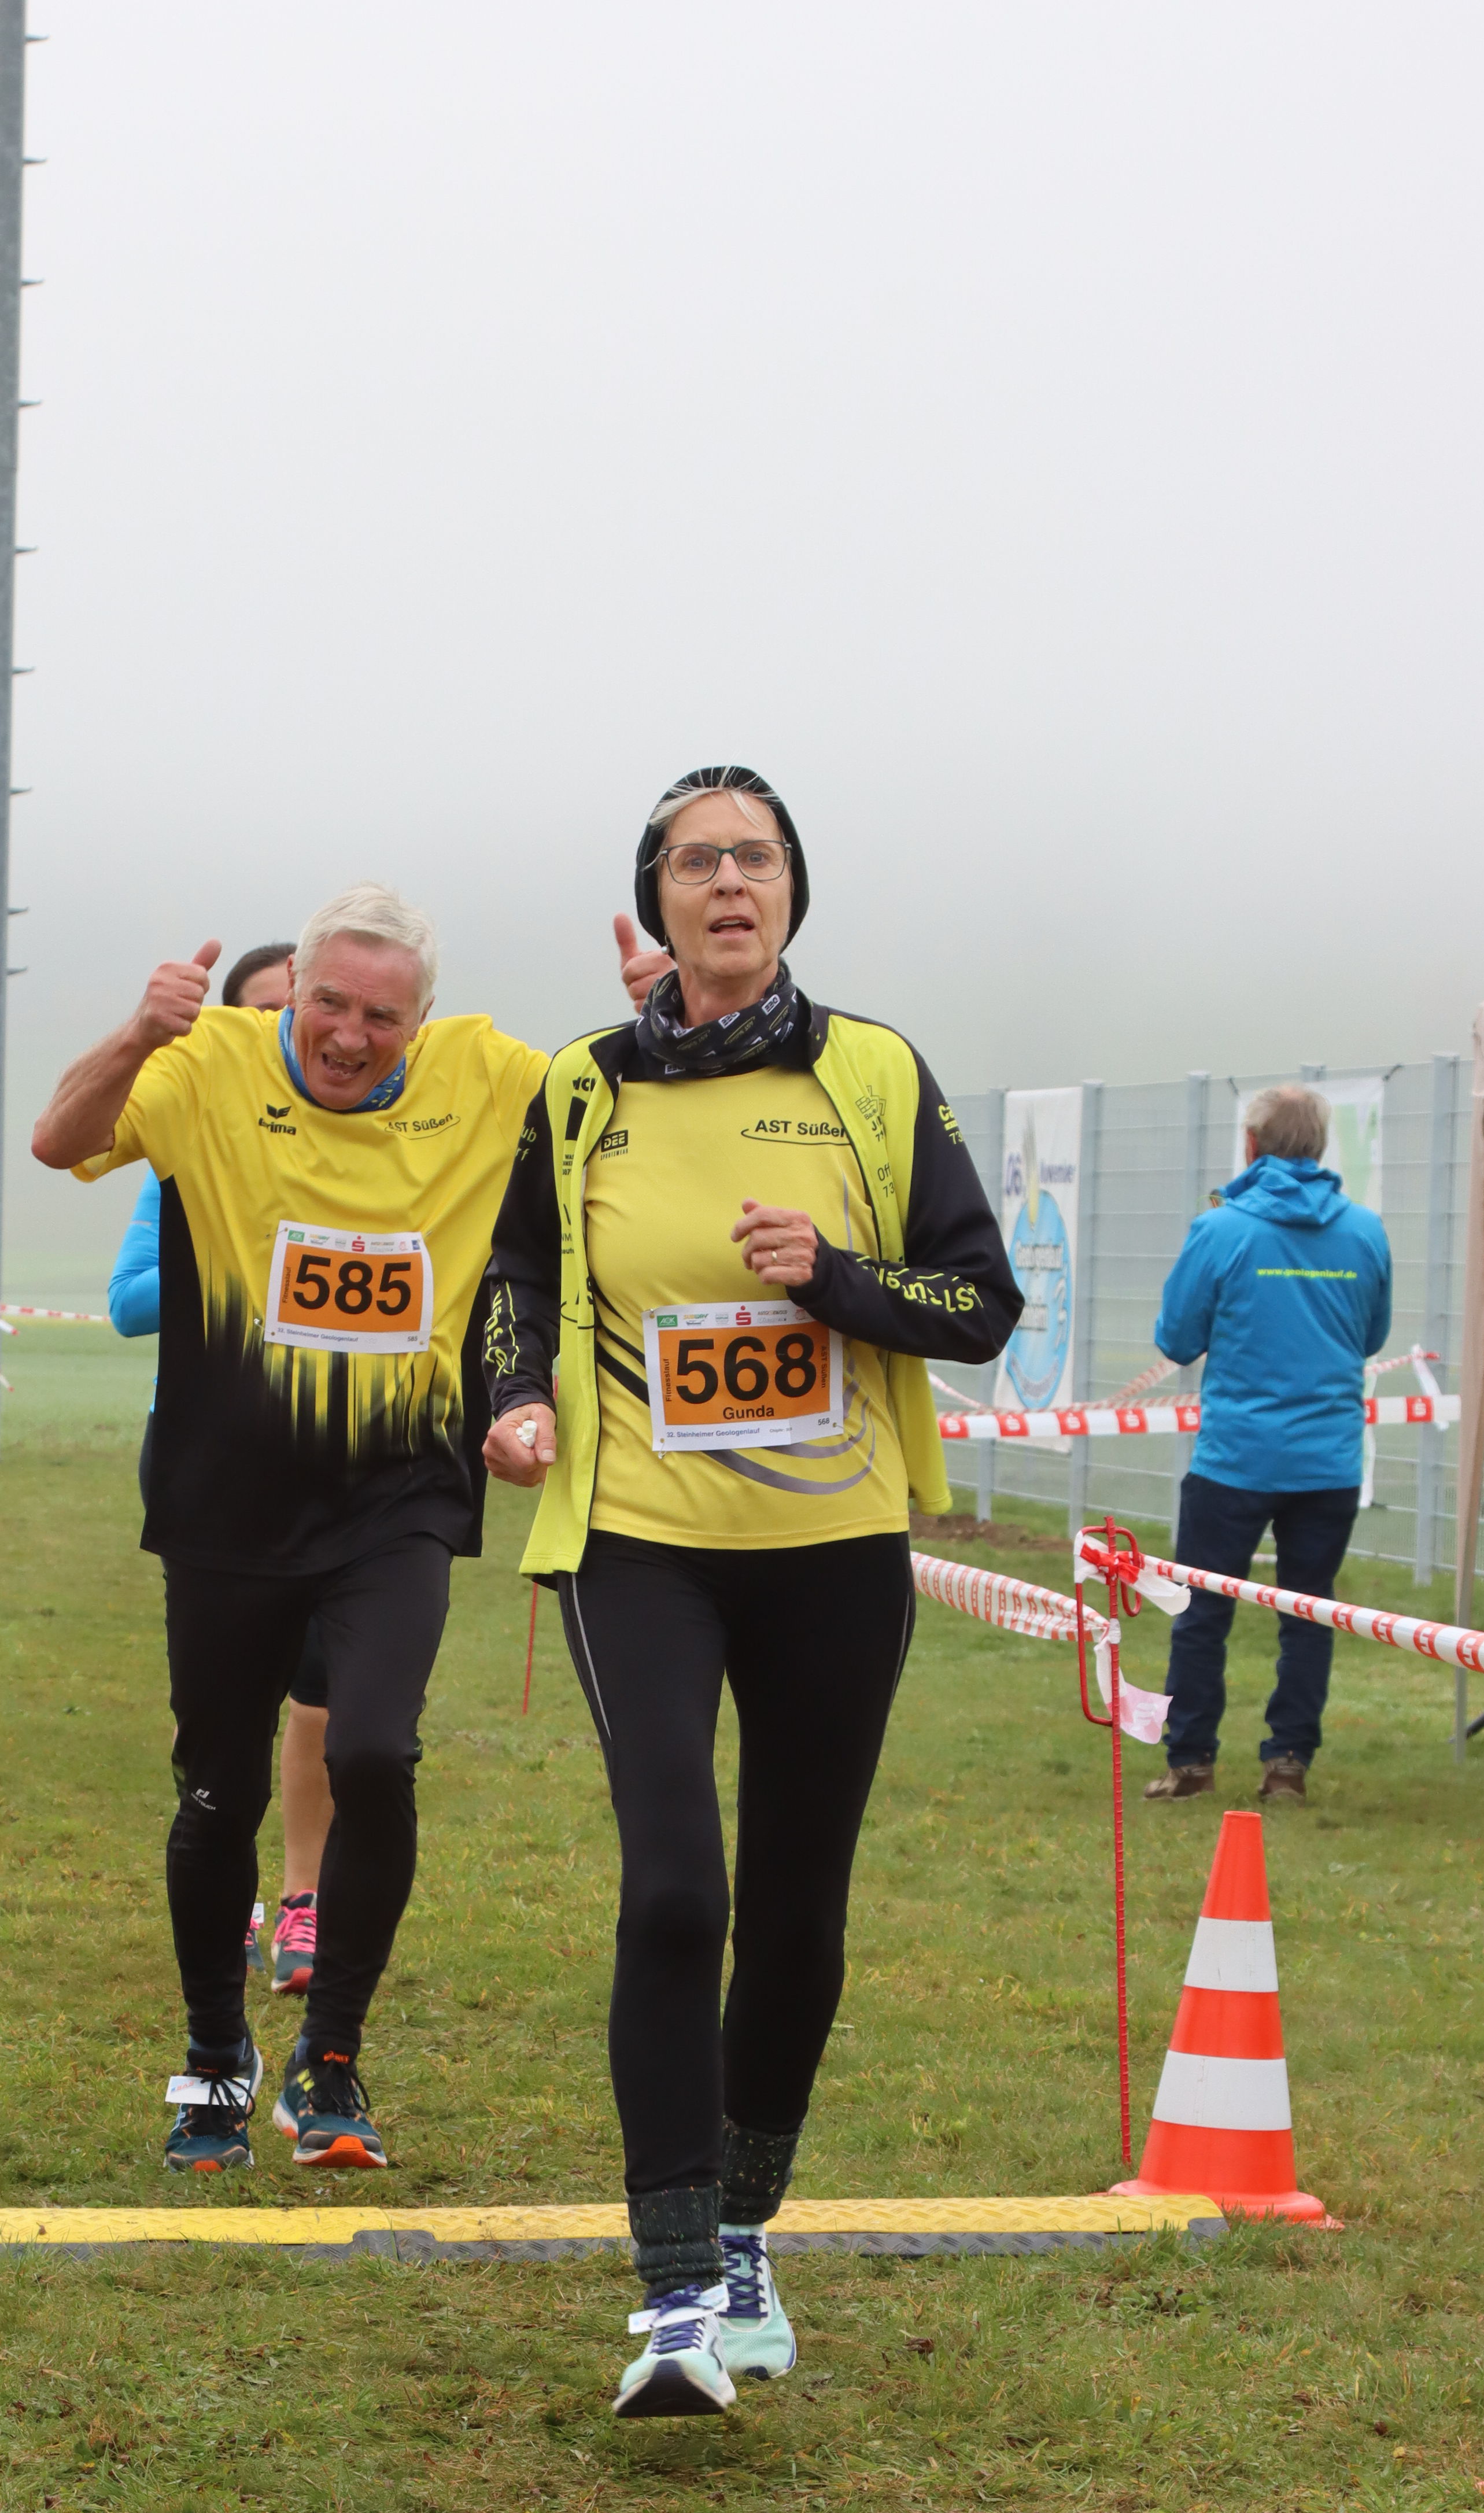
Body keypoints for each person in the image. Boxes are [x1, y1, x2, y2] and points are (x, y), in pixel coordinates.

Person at [482, 765, 1023, 2418]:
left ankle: (740, 2228)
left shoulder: (870, 1070)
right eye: (696, 860)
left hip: (833, 1551)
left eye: (757, 858)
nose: (729, 881)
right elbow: (517, 1272)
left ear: (792, 891)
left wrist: (836, 1280)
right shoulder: (583, 1083)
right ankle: (670, 2295)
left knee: (795, 1914)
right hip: (637, 1537)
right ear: (656, 896)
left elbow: (981, 1302)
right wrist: (513, 1394)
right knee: (674, 1891)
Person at [32, 888, 669, 2178]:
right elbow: (59, 1140)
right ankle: (216, 2056)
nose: (348, 1035)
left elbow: (626, 1131)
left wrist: (669, 1028)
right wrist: (139, 1033)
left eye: (382, 1017)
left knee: (374, 1752)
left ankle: (330, 2055)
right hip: (228, 1501)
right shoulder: (207, 1063)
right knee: (218, 1789)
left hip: (397, 1497)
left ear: (421, 1021)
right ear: (297, 991)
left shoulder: (486, 1077)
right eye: (329, 1003)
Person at [108, 939, 331, 1999]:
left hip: (336, 1455)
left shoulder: (371, 1148)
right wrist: (252, 1261)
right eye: (261, 1011)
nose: (288, 1027)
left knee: (328, 1699)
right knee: (223, 1706)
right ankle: (229, 1887)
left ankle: (303, 1900)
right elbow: (127, 1304)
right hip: (207, 1455)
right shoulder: (185, 1150)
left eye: (300, 1007)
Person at [1141, 1082, 1393, 1807]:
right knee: (1309, 1615)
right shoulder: (1365, 1232)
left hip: (1236, 1459)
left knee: (1201, 1613)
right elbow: (1371, 1336)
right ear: (1320, 1146)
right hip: (1328, 1460)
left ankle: (1191, 1761)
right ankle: (1288, 1763)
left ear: (1251, 1146)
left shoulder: (1220, 1230)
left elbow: (1177, 1339)